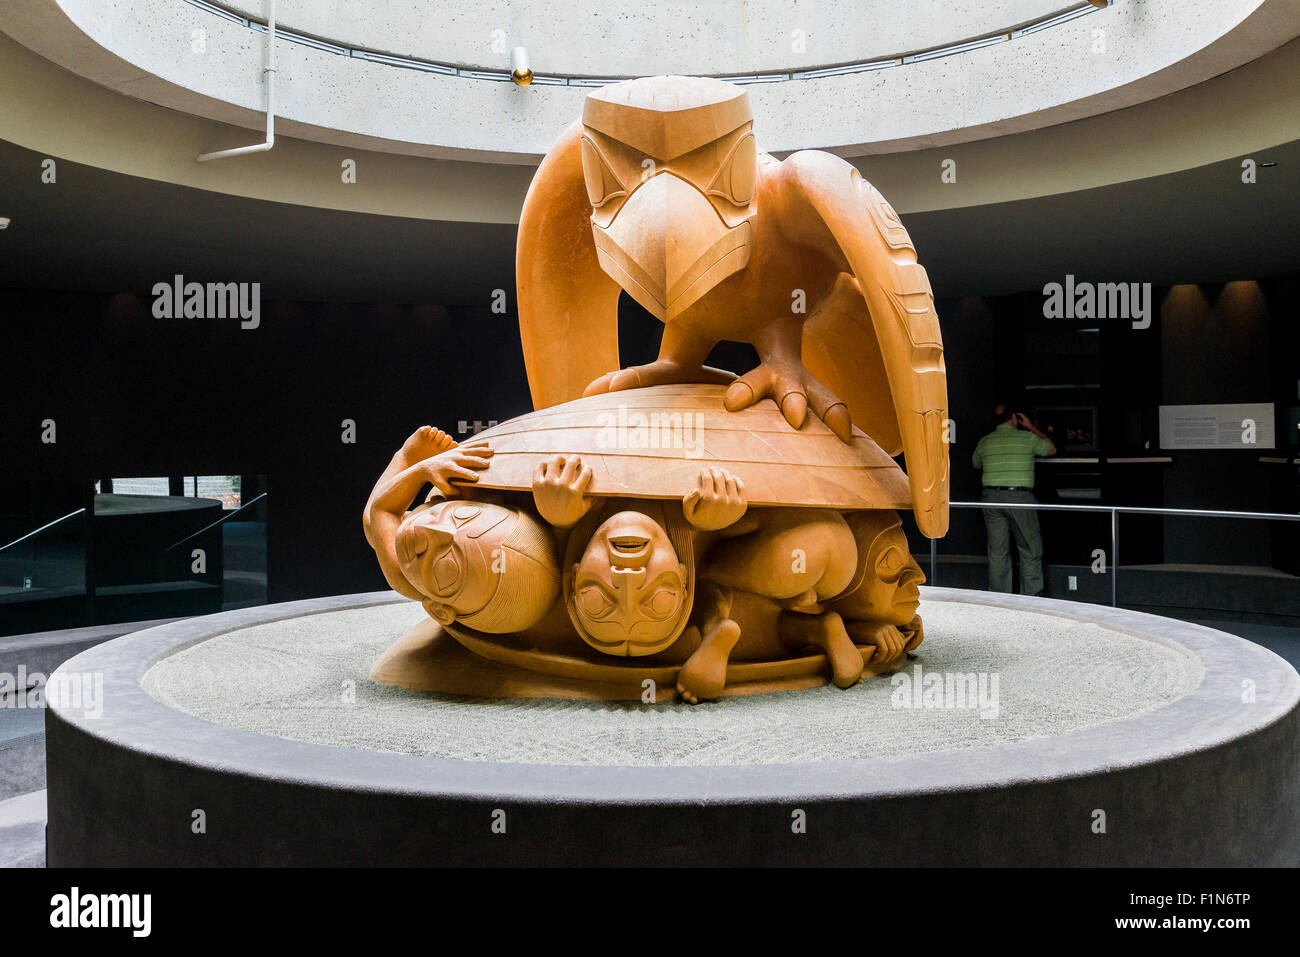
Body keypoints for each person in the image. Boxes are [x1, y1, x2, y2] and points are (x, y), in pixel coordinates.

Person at [971, 405, 1056, 596]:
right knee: (1030, 549)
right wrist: (1032, 427)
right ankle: (1031, 598)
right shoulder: (1026, 438)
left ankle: (1000, 599)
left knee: (998, 553)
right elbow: (1051, 449)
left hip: (990, 499)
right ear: (1015, 419)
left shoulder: (986, 441)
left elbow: (976, 464)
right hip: (1019, 498)